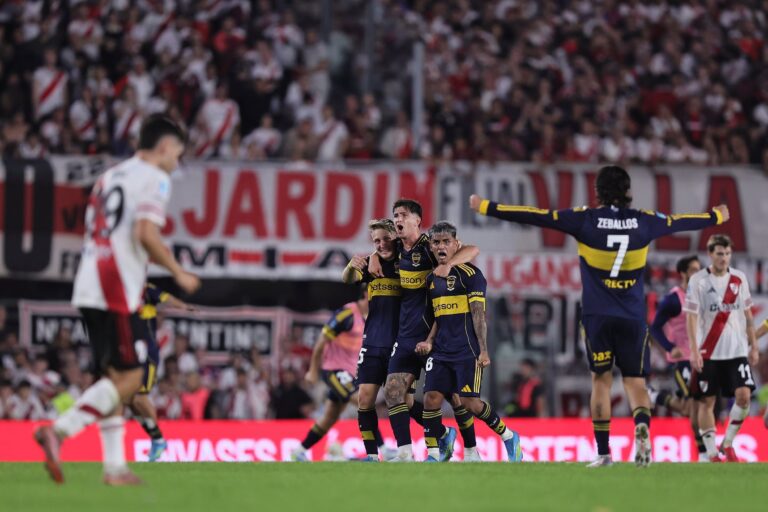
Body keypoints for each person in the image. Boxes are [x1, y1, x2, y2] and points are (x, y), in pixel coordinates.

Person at [470, 165, 728, 467]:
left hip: (597, 317)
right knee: (635, 383)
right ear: (628, 192)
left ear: (598, 193)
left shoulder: (585, 219)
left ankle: (604, 453)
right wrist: (717, 216)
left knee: (601, 381)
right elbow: (681, 222)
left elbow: (536, 215)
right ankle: (642, 428)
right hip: (632, 317)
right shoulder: (643, 221)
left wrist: (487, 206)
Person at [34, 114, 201, 485]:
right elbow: (145, 232)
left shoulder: (109, 176)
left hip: (89, 279)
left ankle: (114, 468)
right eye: (178, 152)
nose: (177, 161)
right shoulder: (154, 178)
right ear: (164, 147)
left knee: (111, 377)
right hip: (116, 285)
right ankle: (60, 430)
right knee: (132, 377)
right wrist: (178, 272)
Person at [371, 199, 480, 462]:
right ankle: (406, 452)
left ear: (417, 221)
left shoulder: (430, 245)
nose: (398, 218)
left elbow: (472, 249)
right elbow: (378, 244)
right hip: (406, 334)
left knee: (454, 398)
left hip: (435, 334)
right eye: (395, 214)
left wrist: (448, 265)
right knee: (394, 392)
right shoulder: (396, 248)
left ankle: (471, 450)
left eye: (403, 214)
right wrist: (374, 255)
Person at [417, 221, 523, 462]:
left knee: (470, 404)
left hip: (466, 350)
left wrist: (483, 350)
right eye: (436, 242)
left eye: (446, 242)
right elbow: (437, 314)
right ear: (431, 247)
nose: (441, 246)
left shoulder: (471, 275)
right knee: (431, 399)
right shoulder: (431, 279)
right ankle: (433, 454)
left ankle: (508, 436)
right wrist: (430, 340)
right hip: (441, 350)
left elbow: (478, 314)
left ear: (456, 244)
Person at [291, 289, 390, 461]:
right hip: (334, 371)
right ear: (366, 294)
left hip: (350, 375)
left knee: (329, 417)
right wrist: (313, 371)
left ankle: (299, 450)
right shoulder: (346, 314)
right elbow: (322, 341)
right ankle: (383, 449)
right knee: (364, 402)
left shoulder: (371, 317)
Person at [685, 234, 758, 462]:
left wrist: (754, 345)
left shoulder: (739, 278)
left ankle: (728, 443)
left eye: (727, 254)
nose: (724, 258)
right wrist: (694, 350)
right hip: (709, 351)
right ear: (710, 254)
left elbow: (747, 316)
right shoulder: (698, 280)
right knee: (707, 402)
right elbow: (692, 318)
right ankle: (712, 453)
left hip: (736, 351)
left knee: (744, 396)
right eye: (719, 254)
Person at [342, 219, 402, 461]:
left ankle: (427, 439)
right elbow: (347, 279)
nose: (381, 244)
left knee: (401, 400)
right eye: (376, 240)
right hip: (373, 341)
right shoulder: (369, 264)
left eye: (385, 239)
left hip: (400, 341)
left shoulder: (408, 262)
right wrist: (350, 266)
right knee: (364, 399)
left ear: (395, 238)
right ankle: (371, 455)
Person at [649, 255, 707, 461]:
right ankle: (703, 454)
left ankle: (656, 397)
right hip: (682, 360)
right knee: (695, 406)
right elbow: (654, 327)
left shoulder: (704, 296)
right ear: (683, 273)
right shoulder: (673, 300)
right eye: (693, 270)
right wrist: (669, 347)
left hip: (702, 359)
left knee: (691, 408)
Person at [129, 283, 193, 462]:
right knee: (129, 400)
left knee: (140, 397)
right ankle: (156, 437)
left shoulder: (144, 289)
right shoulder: (121, 290)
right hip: (130, 353)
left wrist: (183, 305)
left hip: (147, 352)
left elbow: (166, 298)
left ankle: (157, 440)